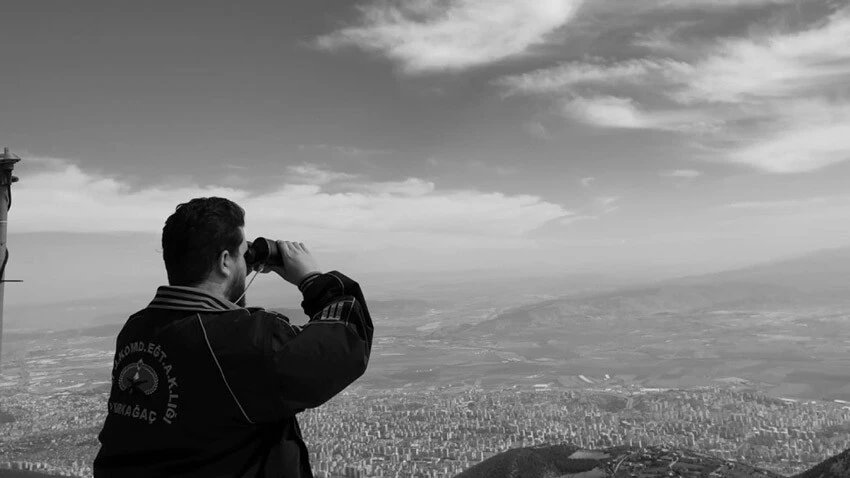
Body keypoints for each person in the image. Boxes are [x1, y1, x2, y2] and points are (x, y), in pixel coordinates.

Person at [92, 197, 374, 477]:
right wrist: (312, 278)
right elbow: (344, 344)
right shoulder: (245, 341)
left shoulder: (136, 329)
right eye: (242, 252)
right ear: (225, 261)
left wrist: (232, 278)